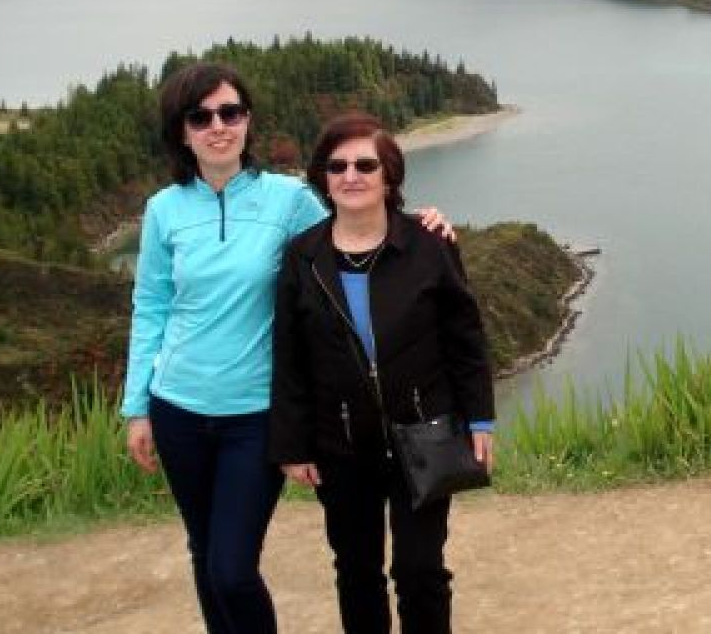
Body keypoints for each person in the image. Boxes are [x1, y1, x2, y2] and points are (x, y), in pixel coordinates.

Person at [122, 63, 451, 634]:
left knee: (231, 568)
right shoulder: (163, 211)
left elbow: (362, 225)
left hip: (254, 412)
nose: (218, 126)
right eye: (201, 116)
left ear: (248, 121)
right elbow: (150, 308)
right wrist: (138, 406)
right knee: (205, 553)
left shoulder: (288, 201)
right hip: (176, 406)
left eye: (231, 112)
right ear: (182, 131)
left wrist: (424, 224)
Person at [269, 111, 495, 634]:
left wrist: (479, 422)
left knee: (420, 571)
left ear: (389, 176)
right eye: (337, 165)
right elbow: (291, 356)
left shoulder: (430, 244)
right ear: (322, 178)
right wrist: (293, 445)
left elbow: (465, 339)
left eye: (365, 165)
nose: (351, 175)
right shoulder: (303, 257)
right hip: (340, 444)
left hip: (425, 435)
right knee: (356, 571)